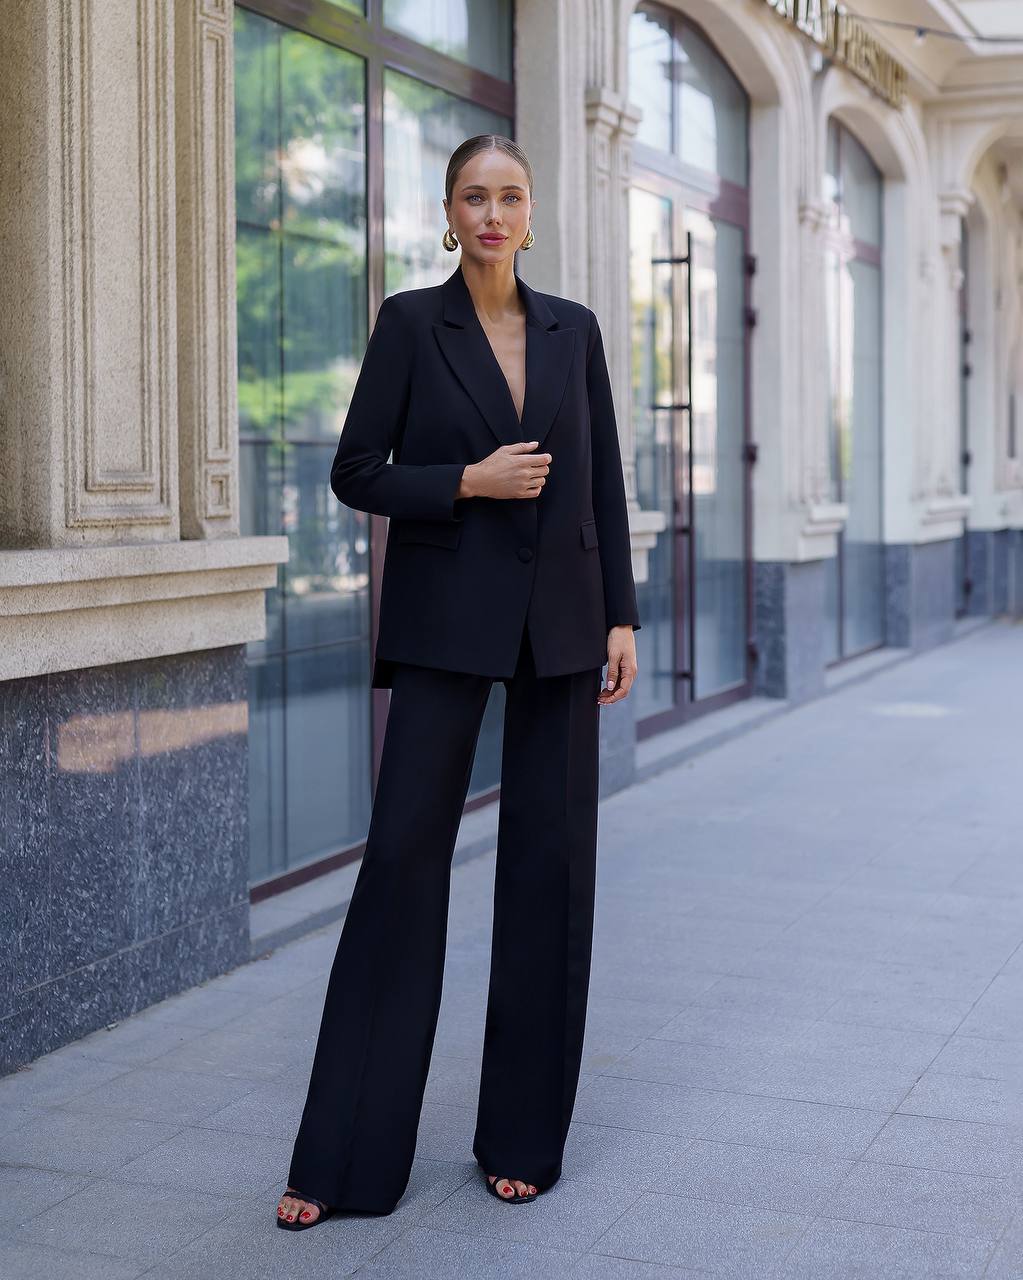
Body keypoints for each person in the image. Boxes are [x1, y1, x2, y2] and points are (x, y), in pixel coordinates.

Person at [276, 133, 640, 1230]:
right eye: (474, 197)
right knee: (400, 863)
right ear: (448, 213)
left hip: (564, 620)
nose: (492, 213)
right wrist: (466, 483)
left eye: (510, 196)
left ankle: (522, 1138)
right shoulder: (408, 324)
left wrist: (621, 613)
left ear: (531, 213)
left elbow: (603, 478)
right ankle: (345, 1161)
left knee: (550, 870)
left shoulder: (574, 330)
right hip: (445, 623)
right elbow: (355, 472)